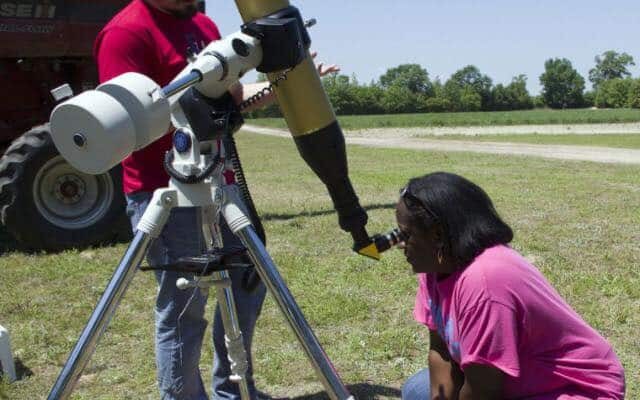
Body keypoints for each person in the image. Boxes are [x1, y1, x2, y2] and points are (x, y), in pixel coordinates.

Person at [94, 1, 338, 399]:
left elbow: (235, 99)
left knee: (247, 281)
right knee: (184, 306)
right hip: (167, 193)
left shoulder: (202, 24)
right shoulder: (126, 33)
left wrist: (288, 80)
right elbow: (120, 121)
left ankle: (234, 390)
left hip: (216, 180)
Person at [395, 172, 625, 400]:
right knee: (417, 390)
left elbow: (482, 391)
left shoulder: (485, 281)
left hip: (574, 388)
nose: (400, 244)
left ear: (437, 235)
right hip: (509, 380)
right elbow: (441, 350)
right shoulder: (435, 267)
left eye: (406, 235)